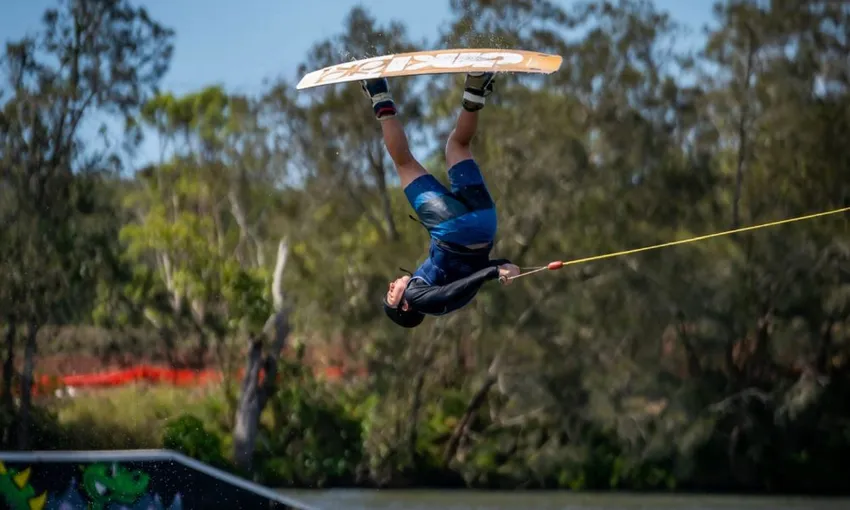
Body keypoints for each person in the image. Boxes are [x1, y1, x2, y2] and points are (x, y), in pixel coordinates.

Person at [361, 71, 520, 328]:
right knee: (404, 163)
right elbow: (450, 291)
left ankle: (475, 88)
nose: (391, 286)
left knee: (458, 145)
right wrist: (494, 271)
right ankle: (379, 93)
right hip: (453, 230)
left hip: (485, 223)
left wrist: (503, 266)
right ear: (405, 306)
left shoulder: (438, 297)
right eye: (390, 296)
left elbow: (470, 275)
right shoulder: (419, 298)